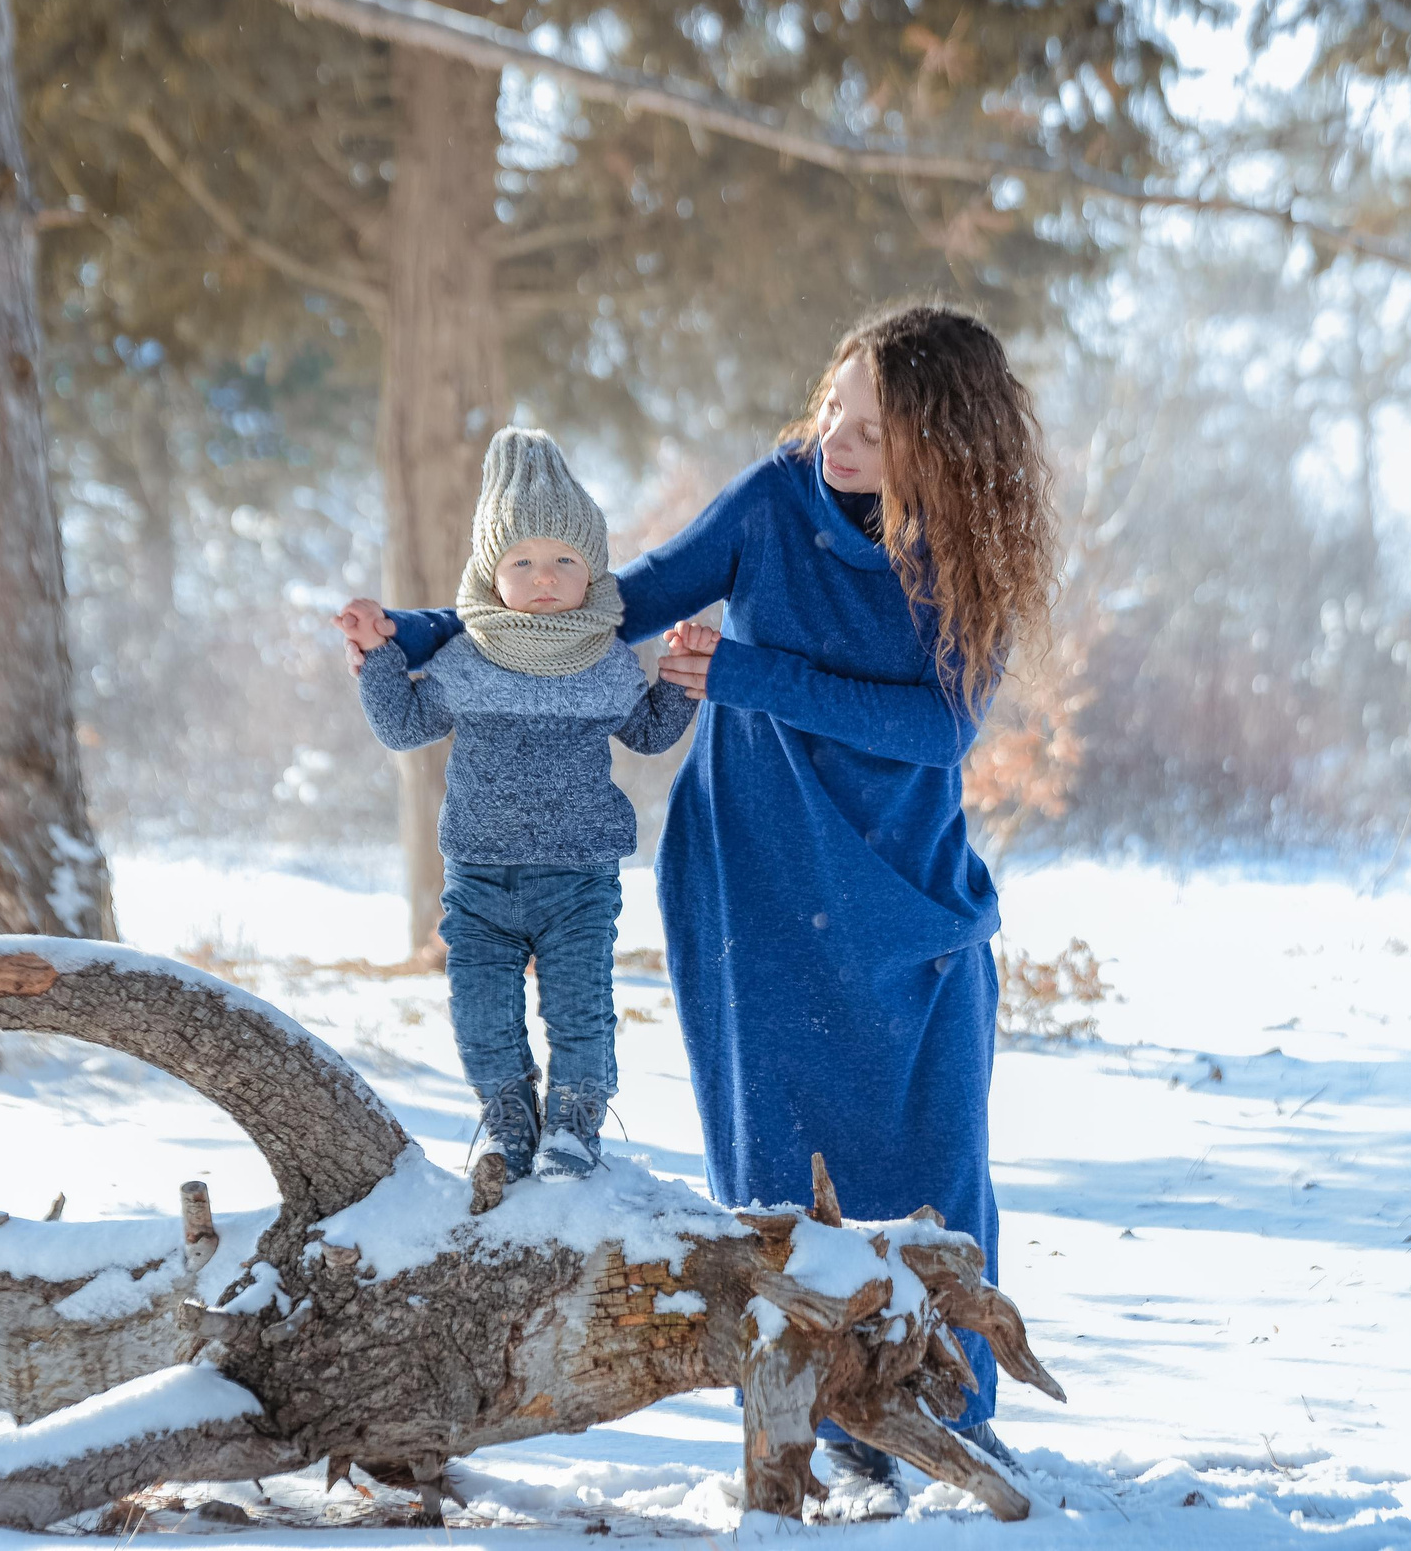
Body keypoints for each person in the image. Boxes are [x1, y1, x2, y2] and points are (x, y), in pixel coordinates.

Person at [343, 305, 1052, 1513]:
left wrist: (749, 670)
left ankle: (952, 1414)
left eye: (872, 429)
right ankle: (817, 1415)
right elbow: (605, 605)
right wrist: (411, 635)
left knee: (937, 1160)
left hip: (902, 891)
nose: (835, 441)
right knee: (782, 1173)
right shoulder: (776, 500)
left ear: (944, 444)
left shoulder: (965, 554)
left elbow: (937, 727)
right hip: (754, 875)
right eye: (834, 409)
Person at [338, 427, 695, 1215]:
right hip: (480, 875)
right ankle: (508, 1123)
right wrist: (379, 657)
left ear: (592, 569)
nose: (544, 578)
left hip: (578, 878)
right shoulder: (467, 656)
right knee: (480, 1010)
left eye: (565, 559)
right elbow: (404, 725)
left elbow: (646, 733)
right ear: (489, 571)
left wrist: (678, 681)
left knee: (580, 1009)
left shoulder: (604, 657)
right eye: (522, 561)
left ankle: (574, 1123)